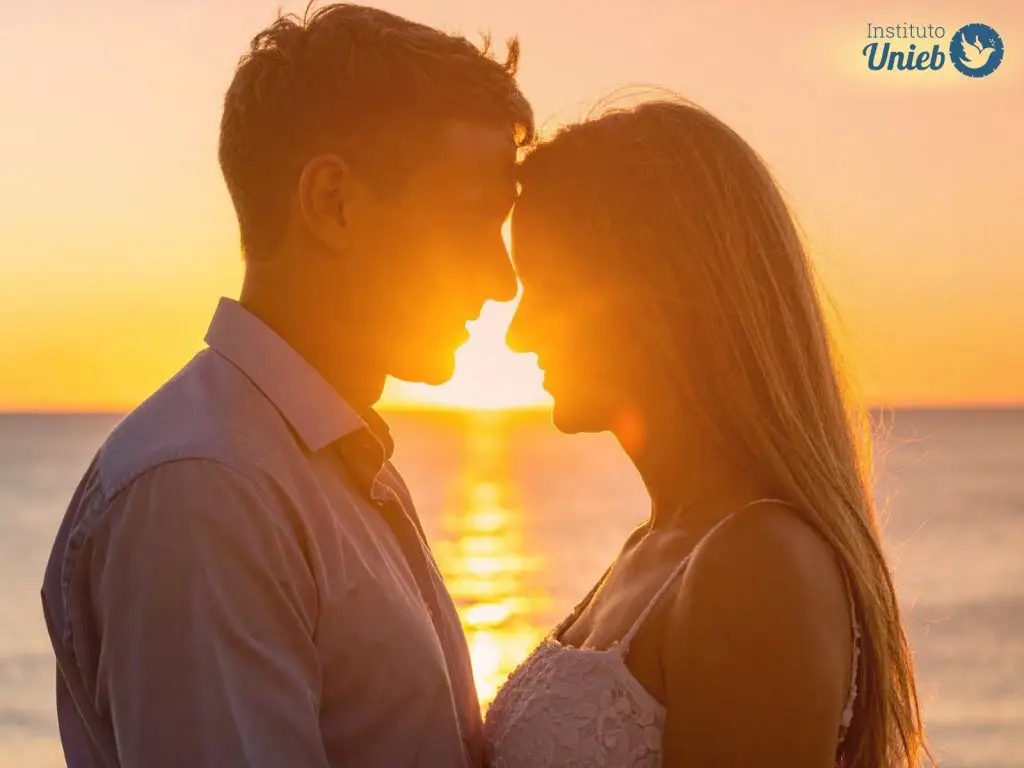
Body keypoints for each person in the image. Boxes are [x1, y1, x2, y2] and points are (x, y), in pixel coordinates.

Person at [40, 5, 533, 766]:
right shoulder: (207, 490)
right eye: (472, 221)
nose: (501, 282)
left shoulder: (325, 464)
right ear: (332, 202)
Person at [485, 97, 929, 767]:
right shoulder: (656, 547)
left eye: (546, 288)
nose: (518, 334)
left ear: (651, 296)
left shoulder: (759, 565)